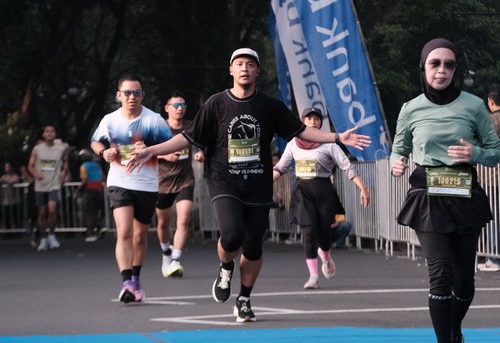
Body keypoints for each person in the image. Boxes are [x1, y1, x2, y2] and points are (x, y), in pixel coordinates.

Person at [127, 48, 371, 323]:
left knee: (253, 247)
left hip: (258, 184)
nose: (245, 68)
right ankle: (225, 266)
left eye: (250, 64)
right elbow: (187, 137)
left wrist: (337, 137)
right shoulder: (216, 104)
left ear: (257, 71)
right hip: (224, 181)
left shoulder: (270, 105)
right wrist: (152, 151)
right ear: (231, 70)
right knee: (232, 235)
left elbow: (302, 131)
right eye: (239, 64)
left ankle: (244, 299)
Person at [390, 38, 500, 343]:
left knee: (463, 282)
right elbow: (399, 148)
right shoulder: (410, 108)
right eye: (435, 63)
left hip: (464, 195)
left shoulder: (474, 105)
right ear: (423, 67)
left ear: (455, 69)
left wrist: (475, 154)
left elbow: (495, 152)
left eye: (448, 65)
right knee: (440, 274)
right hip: (427, 196)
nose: (441, 70)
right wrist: (396, 162)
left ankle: (453, 329)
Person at [90, 74, 172, 303]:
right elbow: (95, 141)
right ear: (119, 95)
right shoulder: (110, 120)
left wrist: (150, 149)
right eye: (127, 93)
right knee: (124, 231)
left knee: (139, 235)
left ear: (142, 95)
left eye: (136, 92)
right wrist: (103, 152)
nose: (132, 97)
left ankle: (136, 278)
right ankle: (126, 283)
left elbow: (171, 147)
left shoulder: (154, 120)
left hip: (146, 184)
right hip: (119, 181)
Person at [273, 107, 370, 289]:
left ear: (320, 123)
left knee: (324, 235)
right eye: (309, 118)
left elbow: (347, 167)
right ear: (303, 121)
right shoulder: (293, 143)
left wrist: (363, 188)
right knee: (308, 232)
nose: (313, 122)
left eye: (316, 119)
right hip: (303, 191)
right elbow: (280, 167)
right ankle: (313, 276)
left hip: (323, 191)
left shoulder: (329, 144)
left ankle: (325, 255)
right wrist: (264, 183)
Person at [156, 90, 205, 278]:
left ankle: (176, 260)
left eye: (183, 105)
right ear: (167, 108)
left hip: (185, 179)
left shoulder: (191, 126)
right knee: (163, 223)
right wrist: (165, 155)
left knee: (184, 219)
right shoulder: (158, 128)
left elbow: (201, 145)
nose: (180, 109)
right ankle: (166, 253)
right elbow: (147, 152)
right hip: (162, 181)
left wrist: (201, 153)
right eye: (176, 105)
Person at [28, 126, 69, 252]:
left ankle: (52, 235)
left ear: (55, 134)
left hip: (54, 183)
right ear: (43, 135)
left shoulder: (61, 148)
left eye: (52, 131)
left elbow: (65, 162)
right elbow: (30, 165)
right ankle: (43, 238)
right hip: (41, 184)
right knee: (42, 212)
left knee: (52, 209)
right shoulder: (37, 149)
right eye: (47, 131)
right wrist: (35, 174)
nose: (49, 133)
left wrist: (64, 172)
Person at [477, 84, 500, 272]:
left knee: (493, 216)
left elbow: (482, 143)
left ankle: (494, 257)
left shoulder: (491, 121)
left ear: (491, 102)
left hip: (492, 176)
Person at [78, 149, 105, 242]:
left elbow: (85, 179)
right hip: (99, 189)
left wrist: (79, 188)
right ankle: (99, 230)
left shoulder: (83, 166)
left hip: (89, 190)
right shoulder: (97, 165)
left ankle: (91, 233)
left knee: (90, 212)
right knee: (98, 211)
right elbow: (103, 177)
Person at [0, 162, 22, 235]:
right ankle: (8, 233)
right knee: (7, 217)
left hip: (14, 200)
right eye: (6, 167)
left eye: (8, 167)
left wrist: (6, 182)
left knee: (15, 216)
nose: (7, 169)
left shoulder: (15, 176)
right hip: (6, 200)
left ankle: (17, 232)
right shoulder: (3, 177)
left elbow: (15, 180)